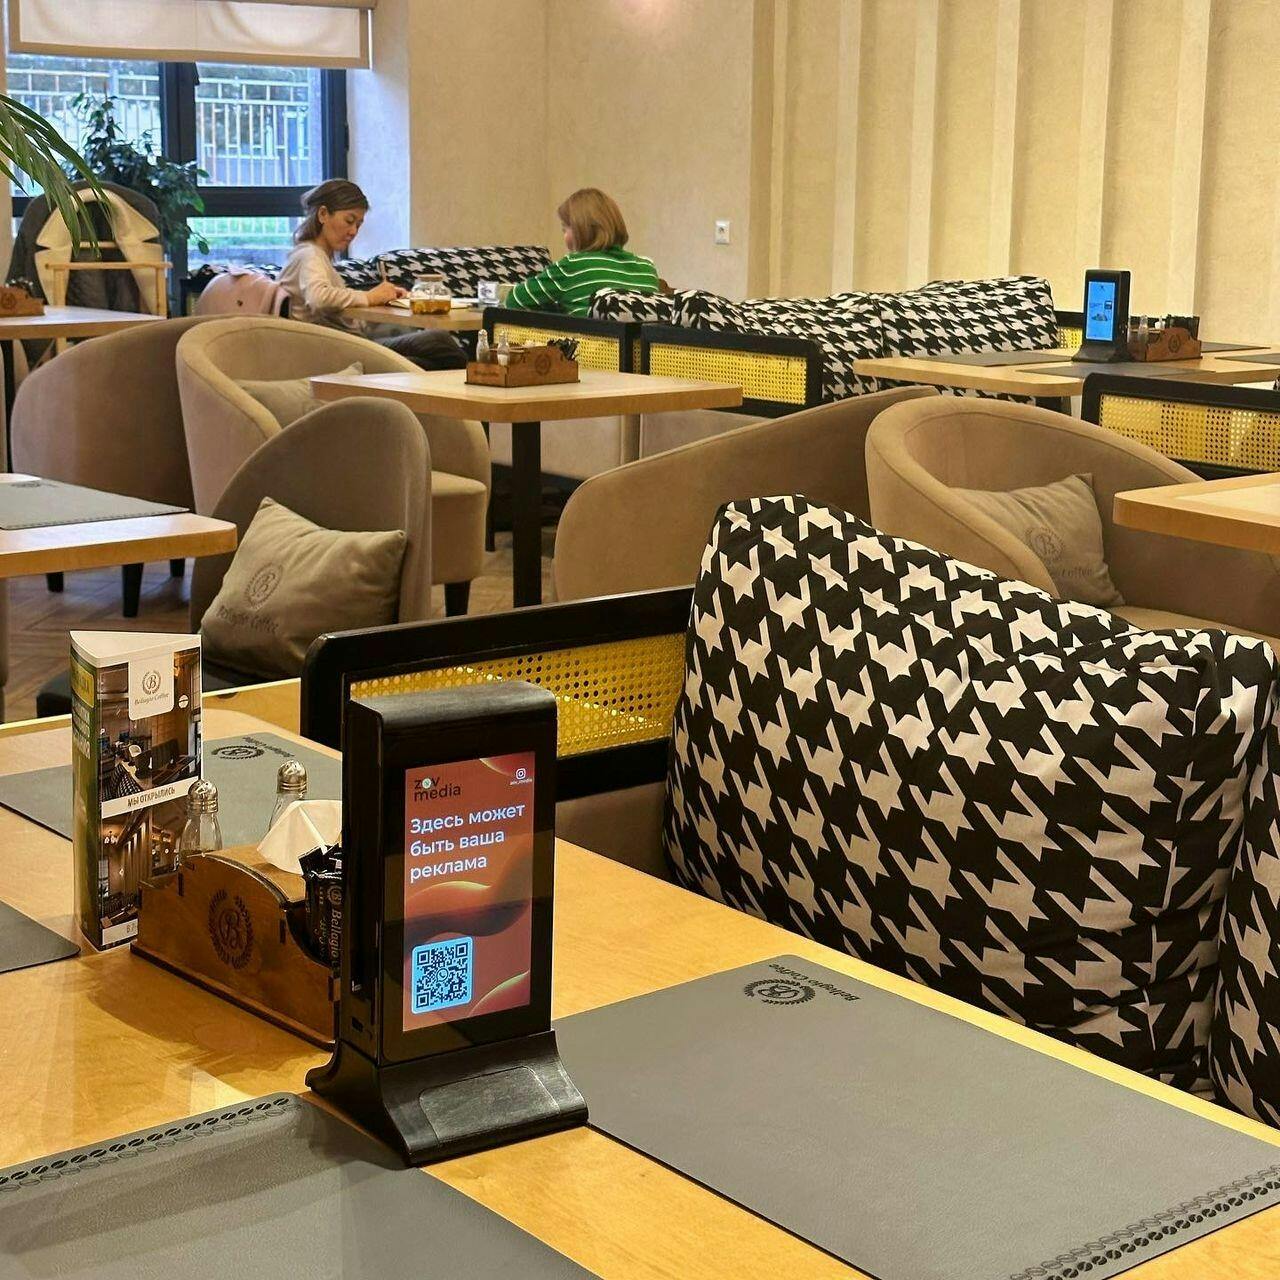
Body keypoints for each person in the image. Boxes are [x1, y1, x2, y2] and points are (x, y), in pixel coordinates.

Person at [279, 179, 465, 370]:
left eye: (358, 225)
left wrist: (382, 298)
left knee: (429, 363)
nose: (353, 232)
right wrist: (369, 297)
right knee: (437, 342)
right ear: (323, 214)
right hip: (335, 353)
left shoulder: (316, 256)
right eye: (349, 221)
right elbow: (318, 298)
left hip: (346, 345)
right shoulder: (310, 255)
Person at [505, 188, 659, 317]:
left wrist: (557, 306)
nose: (564, 236)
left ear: (581, 229)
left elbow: (514, 301)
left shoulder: (573, 266)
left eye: (565, 229)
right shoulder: (647, 267)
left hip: (588, 345)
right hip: (638, 346)